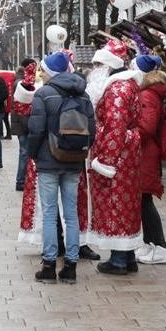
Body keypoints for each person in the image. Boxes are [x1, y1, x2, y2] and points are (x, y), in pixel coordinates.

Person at [27, 51, 95, 284]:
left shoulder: (44, 94)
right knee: (72, 214)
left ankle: (48, 266)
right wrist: (81, 152)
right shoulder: (83, 94)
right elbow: (92, 130)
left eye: (43, 70)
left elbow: (35, 130)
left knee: (49, 213)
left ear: (52, 72)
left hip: (48, 160)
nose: (41, 73)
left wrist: (33, 154)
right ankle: (71, 266)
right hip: (74, 160)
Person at [85, 38, 144, 275]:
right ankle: (127, 256)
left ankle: (119, 260)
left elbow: (115, 126)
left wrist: (105, 160)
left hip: (116, 156)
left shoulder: (116, 89)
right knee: (126, 203)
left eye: (100, 65)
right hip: (127, 154)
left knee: (116, 203)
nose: (96, 70)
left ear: (109, 66)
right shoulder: (127, 85)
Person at [132, 55, 166, 265]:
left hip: (145, 153)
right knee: (142, 201)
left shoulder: (146, 95)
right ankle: (150, 244)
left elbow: (146, 127)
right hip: (147, 152)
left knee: (144, 200)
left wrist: (127, 136)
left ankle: (161, 246)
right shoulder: (152, 93)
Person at [11, 59, 38, 192]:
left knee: (24, 152)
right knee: (24, 152)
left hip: (21, 122)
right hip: (23, 123)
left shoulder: (19, 81)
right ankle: (21, 181)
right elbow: (21, 106)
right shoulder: (21, 83)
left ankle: (23, 180)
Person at [0, 69, 16, 140]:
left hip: (3, 104)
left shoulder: (1, 81)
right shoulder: (11, 81)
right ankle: (8, 134)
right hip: (9, 102)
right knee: (5, 119)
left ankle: (1, 134)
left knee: (1, 119)